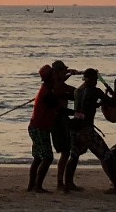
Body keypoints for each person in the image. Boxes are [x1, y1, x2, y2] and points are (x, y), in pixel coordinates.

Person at [62, 69, 116, 193]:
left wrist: (97, 103)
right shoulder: (95, 91)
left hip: (75, 128)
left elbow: (86, 105)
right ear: (91, 79)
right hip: (86, 130)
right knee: (107, 156)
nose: (96, 82)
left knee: (74, 156)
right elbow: (112, 102)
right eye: (95, 79)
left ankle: (68, 185)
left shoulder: (77, 91)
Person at [27, 65, 59, 192]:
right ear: (49, 77)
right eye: (53, 74)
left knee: (38, 157)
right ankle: (37, 186)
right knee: (47, 157)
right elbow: (58, 107)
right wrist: (76, 113)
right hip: (40, 128)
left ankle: (32, 186)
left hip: (36, 127)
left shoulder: (46, 89)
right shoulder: (47, 93)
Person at [49, 60, 77, 191]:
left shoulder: (56, 83)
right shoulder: (56, 85)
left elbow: (63, 83)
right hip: (58, 120)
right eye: (63, 70)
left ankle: (63, 182)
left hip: (61, 119)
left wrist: (69, 74)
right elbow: (68, 89)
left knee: (66, 151)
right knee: (65, 151)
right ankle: (60, 183)